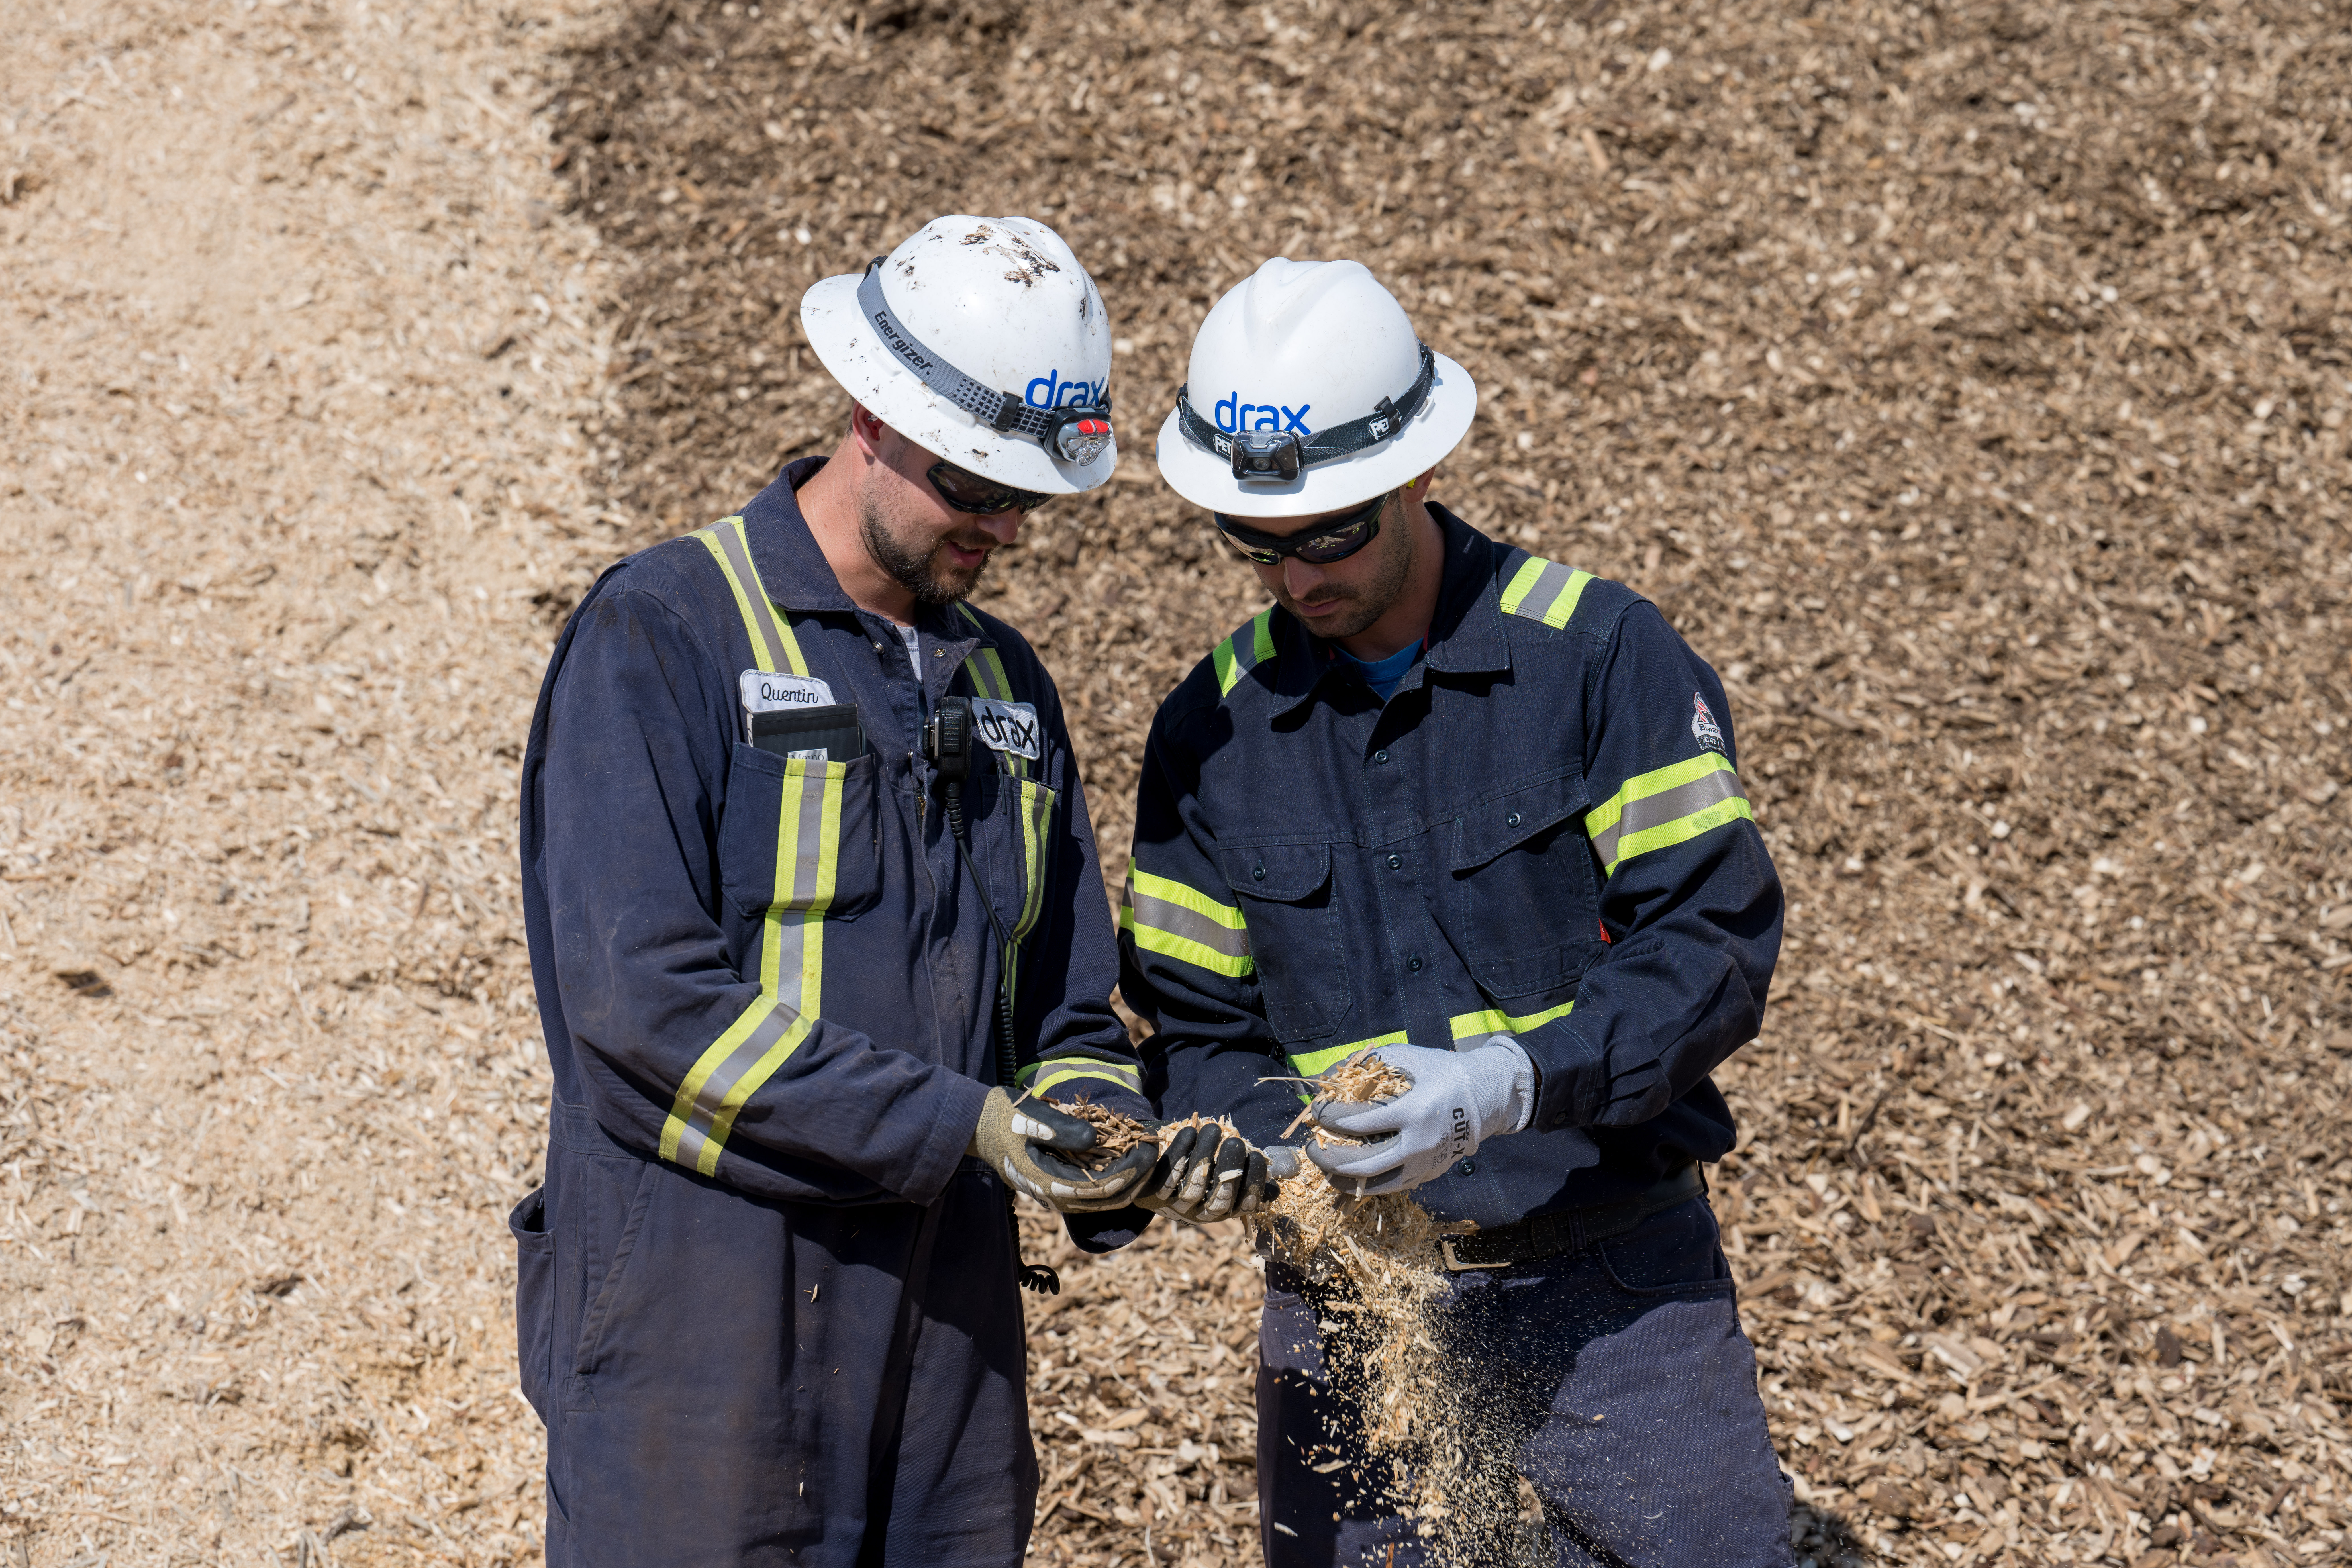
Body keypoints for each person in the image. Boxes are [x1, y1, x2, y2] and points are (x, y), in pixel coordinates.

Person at [1117, 258, 1795, 1566]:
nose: (1297, 575)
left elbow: (1709, 946)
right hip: (1354, 1297)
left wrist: (1503, 1081)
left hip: (1607, 1280)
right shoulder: (1211, 728)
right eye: (1256, 542)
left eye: (1333, 533)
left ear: (1421, 469)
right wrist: (1263, 1148)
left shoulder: (1593, 655)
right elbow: (1199, 1021)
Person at [511, 215, 1161, 1567]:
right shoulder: (668, 632)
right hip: (706, 1326)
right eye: (972, 485)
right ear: (871, 411)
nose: (1002, 526)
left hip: (946, 1349)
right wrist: (969, 1124)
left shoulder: (1007, 693)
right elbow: (638, 1014)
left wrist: (1110, 1134)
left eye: (1026, 497)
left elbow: (1060, 1011)